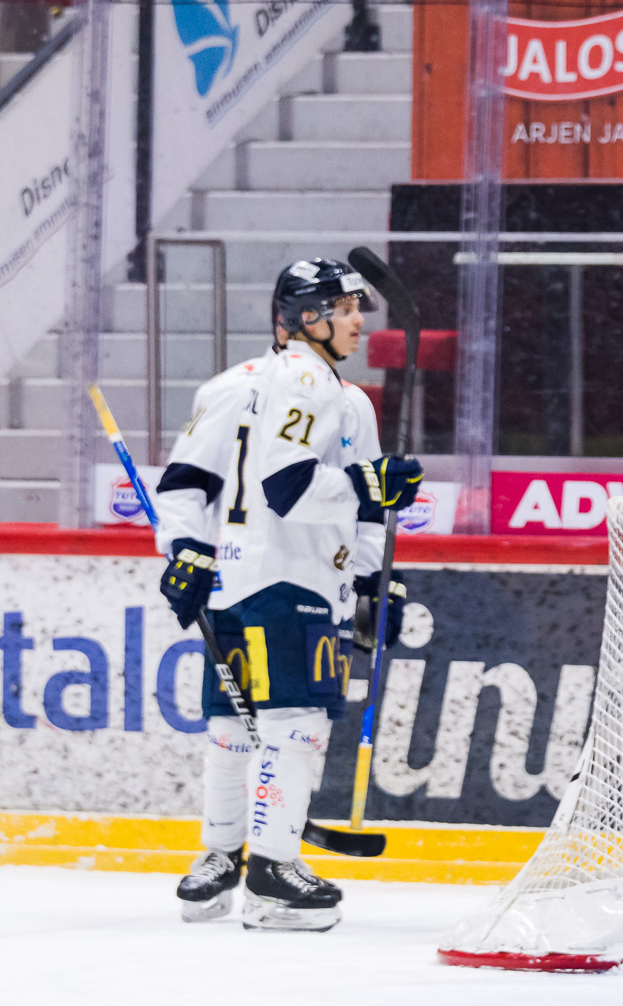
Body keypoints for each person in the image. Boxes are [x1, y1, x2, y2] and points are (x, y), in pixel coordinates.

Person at [157, 258, 420, 931]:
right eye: (348, 308)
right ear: (310, 317)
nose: (362, 320)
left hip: (235, 581)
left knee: (229, 731)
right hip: (291, 580)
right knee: (294, 725)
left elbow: (184, 483)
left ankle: (219, 861)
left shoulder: (240, 385)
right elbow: (299, 489)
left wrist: (186, 553)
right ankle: (272, 871)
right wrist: (371, 488)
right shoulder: (323, 388)